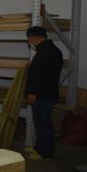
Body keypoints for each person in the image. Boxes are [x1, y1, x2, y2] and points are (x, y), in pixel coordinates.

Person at [25, 25, 63, 159]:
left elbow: (39, 76)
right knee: (41, 122)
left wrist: (32, 93)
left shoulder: (44, 53)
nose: (29, 42)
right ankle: (39, 147)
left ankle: (44, 153)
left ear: (33, 38)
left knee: (43, 123)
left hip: (42, 96)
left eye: (29, 39)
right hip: (47, 94)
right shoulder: (52, 51)